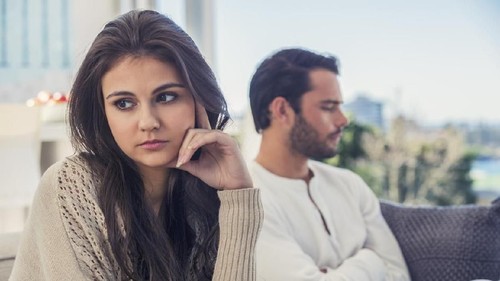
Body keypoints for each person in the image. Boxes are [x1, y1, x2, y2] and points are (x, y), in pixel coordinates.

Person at [10, 10, 262, 281]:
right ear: (102, 113)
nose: (148, 122)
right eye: (124, 103)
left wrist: (238, 197)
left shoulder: (203, 198)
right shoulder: (72, 186)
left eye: (166, 97)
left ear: (198, 100)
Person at [248, 48, 410, 280]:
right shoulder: (250, 201)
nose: (343, 120)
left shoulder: (349, 184)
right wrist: (370, 261)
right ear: (282, 110)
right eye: (328, 107)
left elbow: (399, 276)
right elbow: (383, 267)